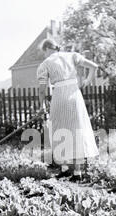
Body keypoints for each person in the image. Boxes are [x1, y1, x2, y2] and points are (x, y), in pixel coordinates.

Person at [37, 39, 99, 182]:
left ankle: (64, 169)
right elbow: (94, 66)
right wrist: (87, 81)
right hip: (74, 94)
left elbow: (42, 90)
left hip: (59, 96)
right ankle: (77, 172)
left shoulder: (45, 64)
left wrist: (42, 106)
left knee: (59, 131)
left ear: (46, 49)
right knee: (77, 131)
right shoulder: (72, 56)